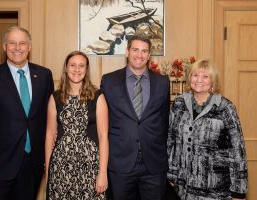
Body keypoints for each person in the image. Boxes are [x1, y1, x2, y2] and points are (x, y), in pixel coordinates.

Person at [0, 26, 54, 200]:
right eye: (12, 43)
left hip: (32, 163)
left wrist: (49, 156)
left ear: (30, 47)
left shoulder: (44, 75)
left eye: (22, 43)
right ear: (4, 46)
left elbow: (49, 121)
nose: (17, 48)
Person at [100, 34, 170, 200]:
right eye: (135, 50)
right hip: (120, 162)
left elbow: (164, 121)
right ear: (127, 52)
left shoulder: (162, 82)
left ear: (149, 55)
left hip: (153, 163)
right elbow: (104, 122)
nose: (140, 55)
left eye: (144, 51)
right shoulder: (109, 81)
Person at [167, 59, 248, 200]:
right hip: (183, 187)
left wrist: (239, 191)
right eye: (195, 75)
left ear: (213, 81)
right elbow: (171, 140)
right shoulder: (179, 103)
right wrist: (171, 172)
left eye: (205, 76)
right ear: (189, 77)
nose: (199, 80)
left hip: (215, 189)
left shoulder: (225, 108)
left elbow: (237, 150)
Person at [45, 51, 109, 199]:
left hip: (90, 167)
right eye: (72, 65)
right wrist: (48, 170)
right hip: (60, 166)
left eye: (81, 66)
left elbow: (103, 137)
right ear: (66, 69)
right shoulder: (55, 97)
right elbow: (49, 135)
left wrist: (102, 173)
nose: (77, 69)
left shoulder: (97, 97)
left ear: (86, 70)